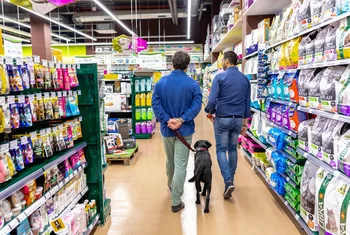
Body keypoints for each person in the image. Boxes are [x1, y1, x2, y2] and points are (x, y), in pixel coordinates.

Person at [152, 51, 202, 213]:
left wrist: (167, 119)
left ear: (172, 64)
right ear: (187, 66)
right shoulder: (193, 84)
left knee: (170, 160)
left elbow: (155, 103)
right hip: (184, 130)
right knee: (181, 164)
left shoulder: (161, 83)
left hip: (167, 130)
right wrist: (181, 120)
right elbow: (196, 105)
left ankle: (171, 184)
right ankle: (175, 200)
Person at [205, 51, 251, 199]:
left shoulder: (219, 77)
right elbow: (247, 103)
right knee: (232, 149)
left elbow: (212, 100)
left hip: (223, 118)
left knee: (220, 150)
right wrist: (244, 124)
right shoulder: (245, 79)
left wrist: (209, 112)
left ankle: (228, 180)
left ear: (226, 61)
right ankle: (230, 179)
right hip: (238, 119)